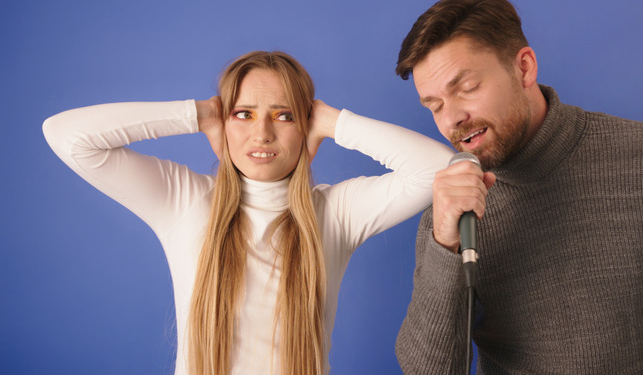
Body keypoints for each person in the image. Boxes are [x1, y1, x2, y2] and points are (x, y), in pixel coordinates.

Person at [393, 0, 643, 374]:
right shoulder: (452, 211)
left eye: (466, 88)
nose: (452, 120)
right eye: (435, 105)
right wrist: (444, 245)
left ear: (524, 68)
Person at [42, 50, 453, 375]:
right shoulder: (183, 200)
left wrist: (331, 121)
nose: (262, 133)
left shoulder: (333, 212)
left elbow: (438, 167)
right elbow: (66, 136)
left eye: (284, 115)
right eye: (244, 114)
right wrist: (198, 113)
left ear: (304, 126)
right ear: (225, 120)